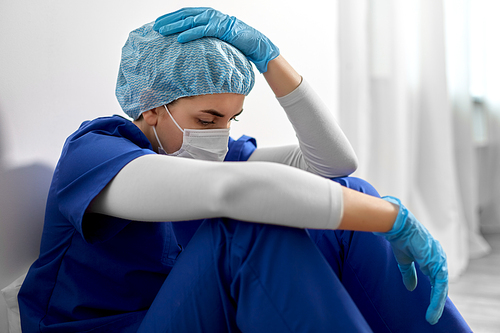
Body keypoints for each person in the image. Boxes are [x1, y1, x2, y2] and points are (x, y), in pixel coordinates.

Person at [18, 7, 471, 333]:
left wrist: (270, 58)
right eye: (207, 120)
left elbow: (332, 165)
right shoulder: (95, 153)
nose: (220, 135)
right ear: (152, 106)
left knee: (349, 193)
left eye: (232, 119)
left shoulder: (211, 156)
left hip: (190, 315)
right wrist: (390, 217)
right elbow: (231, 194)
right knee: (248, 228)